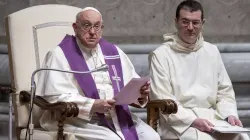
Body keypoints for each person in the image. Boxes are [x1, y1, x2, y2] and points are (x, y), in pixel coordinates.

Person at [36, 7, 160, 140]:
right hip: (78, 120)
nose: (92, 32)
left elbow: (131, 85)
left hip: (117, 116)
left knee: (152, 137)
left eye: (97, 26)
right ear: (75, 27)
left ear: (102, 28)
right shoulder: (59, 54)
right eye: (86, 26)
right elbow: (55, 97)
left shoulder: (114, 52)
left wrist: (140, 94)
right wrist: (92, 106)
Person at [148, 0, 250, 140]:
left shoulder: (212, 51)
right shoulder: (160, 55)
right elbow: (162, 97)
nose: (190, 27)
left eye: (195, 22)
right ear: (176, 21)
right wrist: (192, 121)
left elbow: (224, 92)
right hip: (178, 123)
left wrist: (229, 115)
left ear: (203, 23)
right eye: (185, 22)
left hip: (213, 118)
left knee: (241, 137)